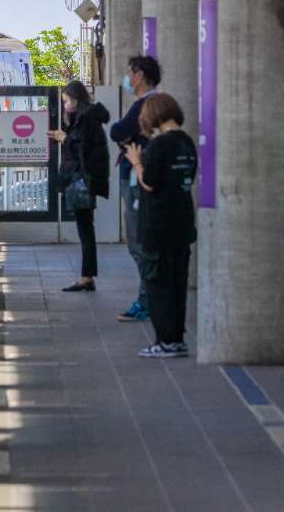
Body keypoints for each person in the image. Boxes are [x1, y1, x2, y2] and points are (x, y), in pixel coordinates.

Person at [125, 92, 197, 358]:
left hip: (158, 226)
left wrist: (136, 162)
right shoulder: (187, 143)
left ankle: (164, 341)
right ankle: (176, 339)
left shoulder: (158, 145)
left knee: (158, 284)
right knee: (178, 285)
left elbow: (149, 182)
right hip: (183, 223)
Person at [108, 55, 161, 321]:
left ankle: (147, 300)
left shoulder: (145, 105)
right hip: (143, 177)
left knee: (139, 244)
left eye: (129, 73)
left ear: (139, 75)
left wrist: (126, 136)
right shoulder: (157, 104)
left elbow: (118, 131)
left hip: (137, 178)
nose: (127, 79)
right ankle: (150, 298)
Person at [48, 80, 111, 292]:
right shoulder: (85, 119)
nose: (64, 105)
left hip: (82, 180)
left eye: (66, 101)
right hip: (82, 179)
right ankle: (87, 276)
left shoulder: (86, 120)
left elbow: (81, 149)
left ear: (75, 99)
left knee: (85, 230)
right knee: (86, 229)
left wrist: (64, 137)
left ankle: (86, 278)